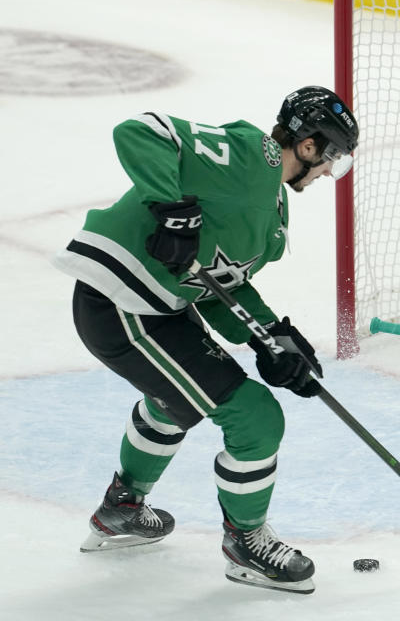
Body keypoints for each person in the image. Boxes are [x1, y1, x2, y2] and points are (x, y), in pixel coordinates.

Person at [53, 86, 358, 594]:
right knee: (254, 416)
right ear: (309, 147)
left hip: (159, 307)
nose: (330, 173)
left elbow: (219, 286)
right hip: (120, 302)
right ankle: (246, 543)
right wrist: (170, 208)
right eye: (333, 160)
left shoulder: (274, 205)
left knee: (176, 402)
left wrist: (270, 337)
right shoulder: (249, 157)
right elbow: (144, 131)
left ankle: (121, 509)